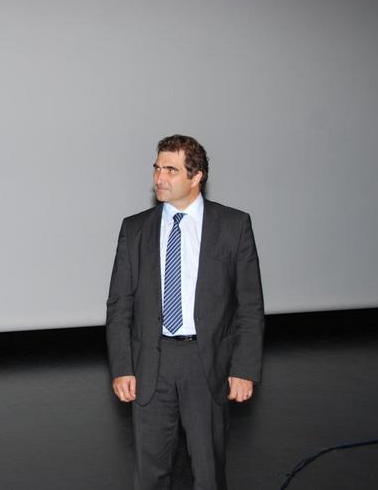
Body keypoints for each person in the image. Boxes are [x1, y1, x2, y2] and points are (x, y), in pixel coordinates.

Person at [106, 134, 264, 490]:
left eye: (171, 170)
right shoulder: (135, 229)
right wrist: (122, 366)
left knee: (209, 472)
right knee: (149, 473)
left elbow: (250, 305)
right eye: (157, 167)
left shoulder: (233, 226)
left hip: (205, 362)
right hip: (150, 362)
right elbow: (119, 305)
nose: (159, 177)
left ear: (196, 177)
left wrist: (244, 369)